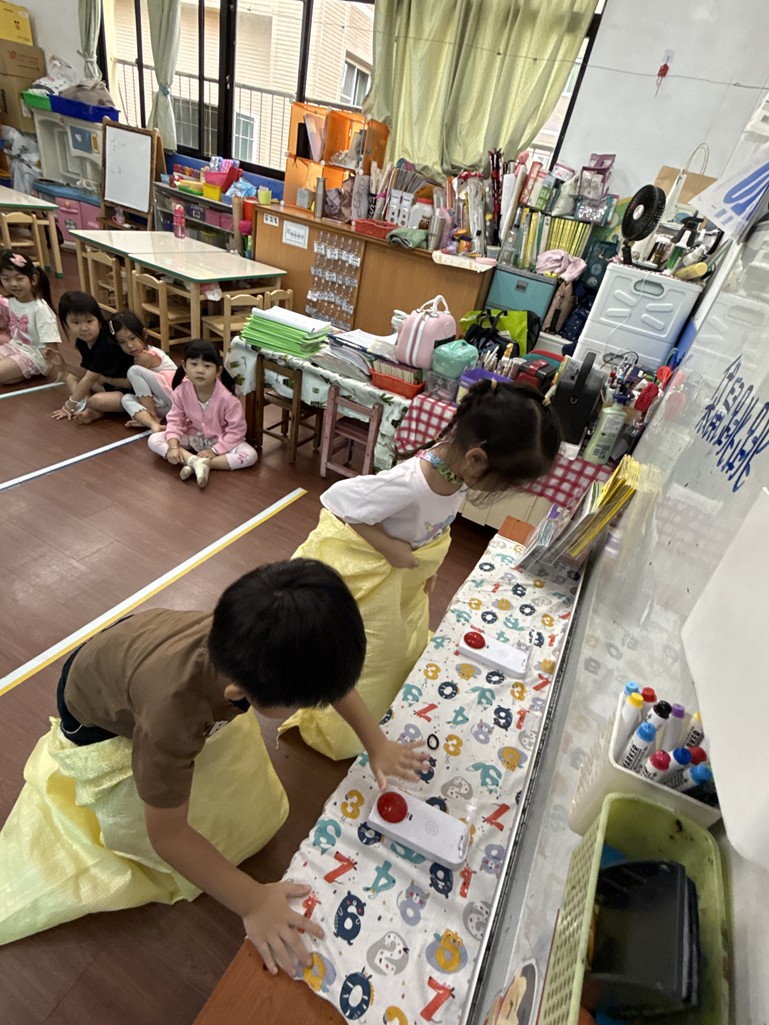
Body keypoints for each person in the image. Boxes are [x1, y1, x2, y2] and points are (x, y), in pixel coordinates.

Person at [0, 560, 426, 971]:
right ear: (239, 692)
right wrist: (253, 902)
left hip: (135, 645)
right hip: (93, 708)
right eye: (304, 702)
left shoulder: (267, 635)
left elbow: (326, 677)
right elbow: (167, 836)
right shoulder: (172, 718)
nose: (316, 704)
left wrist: (377, 743)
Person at [280, 379, 562, 762]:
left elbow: (435, 524)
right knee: (367, 658)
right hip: (369, 572)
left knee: (403, 646)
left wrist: (427, 566)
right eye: (504, 483)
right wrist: (388, 545)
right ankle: (336, 725)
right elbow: (337, 502)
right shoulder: (409, 484)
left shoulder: (457, 474)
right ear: (477, 459)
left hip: (404, 574)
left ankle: (381, 702)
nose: (501, 491)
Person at [148, 338, 257, 488]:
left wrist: (214, 450)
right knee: (154, 439)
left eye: (207, 366)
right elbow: (175, 421)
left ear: (218, 371)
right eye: (194, 364)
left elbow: (236, 430)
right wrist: (173, 446)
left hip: (220, 441)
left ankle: (201, 464)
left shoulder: (228, 399)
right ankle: (195, 462)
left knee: (250, 455)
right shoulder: (181, 392)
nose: (200, 370)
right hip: (193, 437)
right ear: (184, 366)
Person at [48, 291, 134, 422]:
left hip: (129, 393)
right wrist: (64, 366)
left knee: (97, 400)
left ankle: (91, 407)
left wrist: (68, 407)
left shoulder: (106, 344)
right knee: (71, 377)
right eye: (76, 322)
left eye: (89, 321)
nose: (84, 328)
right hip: (106, 385)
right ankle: (87, 406)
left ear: (99, 320)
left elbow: (89, 379)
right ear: (65, 324)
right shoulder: (82, 341)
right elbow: (86, 373)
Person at [0, 250, 60, 385]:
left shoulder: (40, 309)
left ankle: (23, 371)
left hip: (35, 356)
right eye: (6, 279)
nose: (13, 284)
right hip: (15, 347)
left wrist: (54, 365)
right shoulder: (11, 301)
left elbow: (52, 343)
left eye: (19, 278)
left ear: (33, 280)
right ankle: (15, 374)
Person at [112, 310, 177, 432]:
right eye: (122, 342)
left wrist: (101, 378)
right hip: (168, 407)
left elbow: (127, 383)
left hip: (176, 397)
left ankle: (151, 415)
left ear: (144, 334)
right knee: (126, 399)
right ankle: (151, 422)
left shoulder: (145, 356)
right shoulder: (138, 356)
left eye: (132, 338)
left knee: (133, 371)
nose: (130, 345)